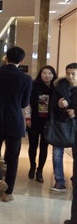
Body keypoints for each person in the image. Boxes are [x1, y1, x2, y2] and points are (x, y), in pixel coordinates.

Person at [0, 46, 32, 203]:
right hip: (14, 121)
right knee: (13, 158)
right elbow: (24, 103)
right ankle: (8, 193)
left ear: (6, 58)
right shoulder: (26, 79)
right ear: (21, 60)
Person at [25, 65, 57, 183]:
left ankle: (40, 171)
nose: (47, 75)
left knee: (44, 147)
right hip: (34, 120)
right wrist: (27, 118)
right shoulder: (34, 86)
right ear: (40, 74)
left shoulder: (56, 88)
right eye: (44, 73)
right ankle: (32, 166)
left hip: (48, 122)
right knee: (33, 146)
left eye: (50, 73)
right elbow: (27, 103)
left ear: (53, 75)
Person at [49, 63, 77, 193]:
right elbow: (52, 106)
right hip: (60, 124)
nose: (70, 76)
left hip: (75, 124)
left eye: (73, 74)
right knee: (57, 154)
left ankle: (75, 180)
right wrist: (60, 106)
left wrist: (75, 112)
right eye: (68, 73)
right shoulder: (59, 87)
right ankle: (59, 182)